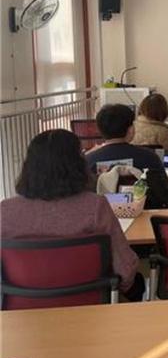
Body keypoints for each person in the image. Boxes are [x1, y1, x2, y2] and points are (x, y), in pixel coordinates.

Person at [0, 129, 145, 301]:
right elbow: (125, 269)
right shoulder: (96, 207)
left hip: (23, 309)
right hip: (90, 305)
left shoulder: (5, 211)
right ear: (78, 165)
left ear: (28, 167)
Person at [86, 104, 168, 209]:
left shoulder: (88, 161)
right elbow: (164, 192)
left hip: (101, 215)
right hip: (145, 214)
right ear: (131, 129)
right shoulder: (149, 157)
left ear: (100, 130)